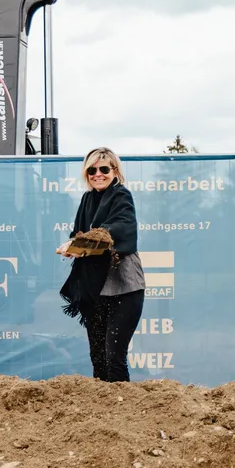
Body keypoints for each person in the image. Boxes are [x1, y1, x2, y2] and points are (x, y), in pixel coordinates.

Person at [57, 147, 145, 382]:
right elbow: (79, 233)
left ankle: (122, 411)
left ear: (114, 171)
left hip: (123, 286)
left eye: (104, 169)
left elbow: (121, 228)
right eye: (92, 170)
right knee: (98, 357)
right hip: (94, 287)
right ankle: (104, 415)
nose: (98, 174)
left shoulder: (121, 196)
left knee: (114, 356)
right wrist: (73, 247)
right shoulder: (87, 199)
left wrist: (88, 239)